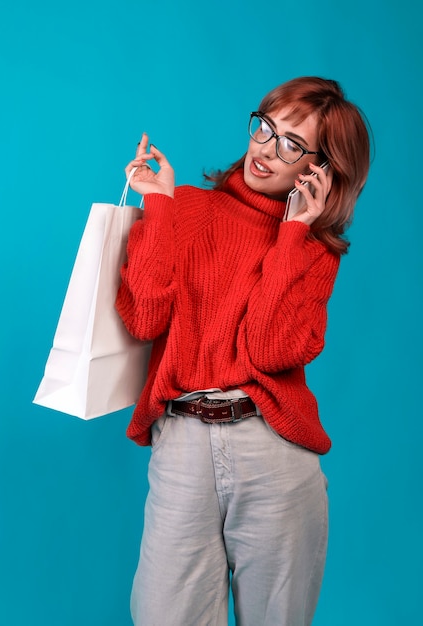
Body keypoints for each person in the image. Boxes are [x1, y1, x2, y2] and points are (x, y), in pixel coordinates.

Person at [116, 76, 371, 626]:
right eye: (265, 127)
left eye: (291, 144)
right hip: (183, 438)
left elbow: (269, 348)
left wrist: (295, 231)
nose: (266, 149)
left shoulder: (313, 251)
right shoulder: (184, 209)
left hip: (273, 448)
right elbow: (144, 317)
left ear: (321, 169)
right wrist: (158, 206)